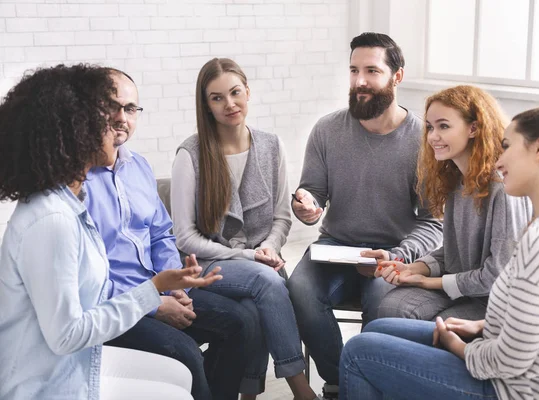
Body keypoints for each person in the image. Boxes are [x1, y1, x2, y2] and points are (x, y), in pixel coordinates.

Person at [338, 106, 539, 400]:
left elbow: (509, 360)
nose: (499, 160)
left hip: (508, 389)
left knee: (359, 352)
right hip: (513, 367)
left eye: (507, 147)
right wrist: (480, 326)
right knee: (380, 327)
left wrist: (459, 347)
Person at [0, 64, 222, 400]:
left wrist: (162, 283)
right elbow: (67, 335)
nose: (118, 126)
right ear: (76, 133)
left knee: (180, 374)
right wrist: (153, 291)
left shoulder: (72, 201)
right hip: (48, 383)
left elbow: (99, 285)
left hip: (74, 362)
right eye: (102, 119)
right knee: (178, 387)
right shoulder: (53, 221)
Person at [286, 32, 443, 398]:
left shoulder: (423, 140)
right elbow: (314, 199)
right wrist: (306, 207)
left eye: (372, 70)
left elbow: (434, 221)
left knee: (383, 302)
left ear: (397, 77)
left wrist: (399, 255)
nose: (359, 81)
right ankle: (341, 382)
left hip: (393, 251)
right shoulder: (327, 130)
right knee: (299, 289)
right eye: (354, 70)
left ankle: (371, 381)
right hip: (335, 245)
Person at [84, 68, 256, 400]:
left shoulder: (138, 167)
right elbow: (88, 278)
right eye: (112, 106)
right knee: (185, 352)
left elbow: (162, 233)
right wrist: (153, 302)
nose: (123, 117)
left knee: (238, 322)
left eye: (131, 109)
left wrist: (173, 284)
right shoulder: (76, 182)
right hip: (113, 307)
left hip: (158, 287)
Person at [170, 57, 317, 400]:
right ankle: (301, 387)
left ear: (248, 92)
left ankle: (247, 394)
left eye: (235, 93)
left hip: (260, 260)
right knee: (269, 282)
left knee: (256, 303)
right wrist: (249, 256)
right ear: (205, 105)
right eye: (216, 98)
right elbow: (185, 237)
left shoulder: (270, 145)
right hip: (207, 263)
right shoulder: (190, 155)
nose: (229, 104)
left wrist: (269, 247)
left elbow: (282, 216)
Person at [375, 85, 531, 321]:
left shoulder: (503, 189)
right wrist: (412, 268)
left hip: (497, 301)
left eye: (443, 126)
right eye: (429, 127)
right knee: (391, 307)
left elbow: (498, 274)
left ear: (473, 128)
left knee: (436, 322)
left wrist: (428, 282)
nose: (432, 136)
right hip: (465, 289)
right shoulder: (456, 181)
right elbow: (454, 254)